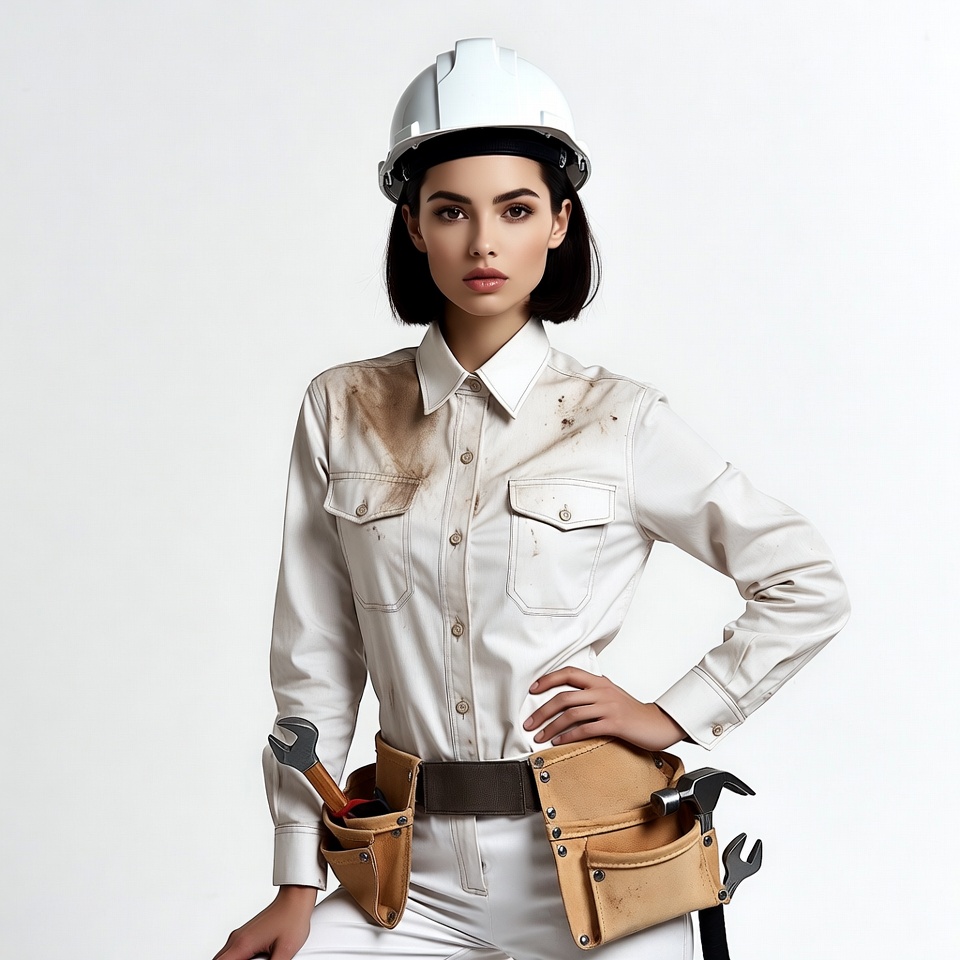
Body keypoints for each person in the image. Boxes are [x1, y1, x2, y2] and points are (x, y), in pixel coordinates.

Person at [214, 38, 849, 960]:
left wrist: (675, 714)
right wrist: (293, 879)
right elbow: (314, 656)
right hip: (405, 879)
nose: (483, 243)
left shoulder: (619, 420)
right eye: (451, 211)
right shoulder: (343, 409)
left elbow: (805, 580)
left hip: (599, 871)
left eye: (515, 209)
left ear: (558, 222)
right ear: (412, 227)